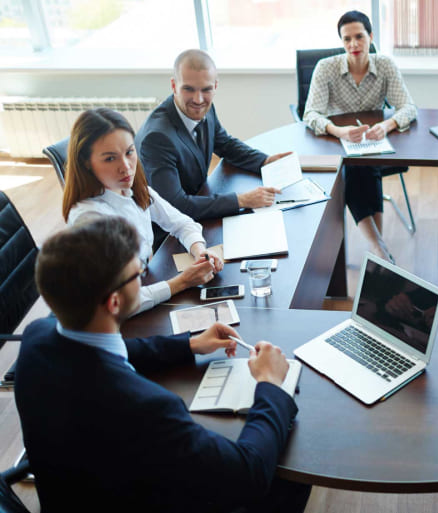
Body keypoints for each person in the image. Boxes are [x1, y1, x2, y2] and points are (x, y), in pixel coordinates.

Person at [14, 216, 310, 513]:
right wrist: (271, 384)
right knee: (289, 467)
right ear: (114, 303)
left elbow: (110, 351)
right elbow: (248, 475)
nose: (143, 277)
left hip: (73, 495)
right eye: (138, 273)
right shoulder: (146, 408)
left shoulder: (36, 339)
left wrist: (188, 344)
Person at [63, 107, 221, 315]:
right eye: (110, 158)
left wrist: (200, 251)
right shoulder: (89, 219)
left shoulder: (132, 188)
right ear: (86, 163)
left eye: (129, 152)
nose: (126, 167)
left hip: (145, 285)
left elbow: (182, 223)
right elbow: (117, 304)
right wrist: (182, 282)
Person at [303, 10, 417, 262]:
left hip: (373, 141)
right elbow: (310, 114)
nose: (353, 44)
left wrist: (387, 125)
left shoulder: (385, 65)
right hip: (335, 143)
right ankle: (379, 249)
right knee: (356, 168)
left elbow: (409, 107)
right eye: (346, 39)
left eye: (359, 37)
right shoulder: (326, 68)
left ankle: (378, 250)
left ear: (371, 36)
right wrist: (338, 130)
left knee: (364, 167)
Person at [136, 49, 291, 220]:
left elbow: (225, 144)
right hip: (170, 231)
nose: (198, 99)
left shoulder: (205, 109)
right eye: (188, 89)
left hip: (200, 201)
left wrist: (265, 161)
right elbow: (176, 206)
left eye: (206, 89)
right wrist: (241, 200)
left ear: (215, 86)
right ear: (174, 86)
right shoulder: (157, 138)